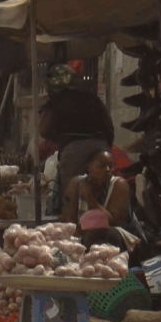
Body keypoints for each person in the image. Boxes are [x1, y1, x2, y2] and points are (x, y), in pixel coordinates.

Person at [39, 64, 116, 218]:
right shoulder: (92, 98)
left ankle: (74, 232)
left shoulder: (56, 101)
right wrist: (104, 147)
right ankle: (100, 223)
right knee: (101, 193)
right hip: (100, 148)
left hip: (73, 151)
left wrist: (60, 140)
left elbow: (44, 130)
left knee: (72, 195)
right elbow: (109, 127)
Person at [63, 148, 134, 251]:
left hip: (114, 238)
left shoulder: (119, 185)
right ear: (88, 167)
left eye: (110, 166)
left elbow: (111, 222)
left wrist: (89, 198)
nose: (108, 170)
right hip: (83, 237)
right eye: (102, 166)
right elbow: (69, 221)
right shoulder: (77, 183)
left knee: (102, 234)